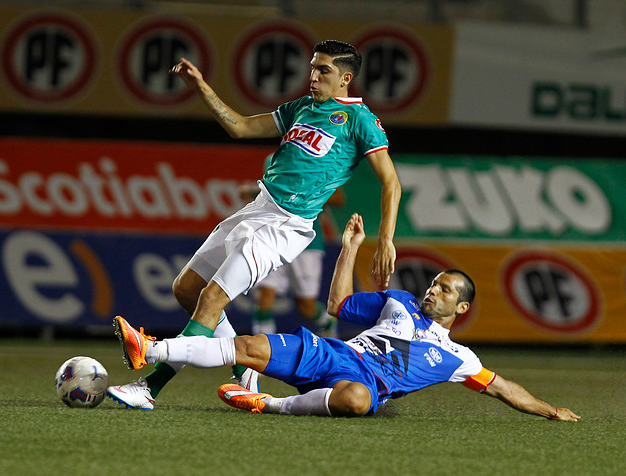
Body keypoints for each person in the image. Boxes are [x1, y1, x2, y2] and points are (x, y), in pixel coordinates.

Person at [106, 40, 401, 410]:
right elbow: (242, 128)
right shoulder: (300, 108)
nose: (313, 76)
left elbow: (391, 182)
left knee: (212, 299)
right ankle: (244, 372)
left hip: (286, 225)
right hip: (257, 207)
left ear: (345, 78)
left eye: (323, 70)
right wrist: (202, 87)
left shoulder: (360, 121)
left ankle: (149, 388)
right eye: (312, 67)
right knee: (186, 288)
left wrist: (385, 239)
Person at [113, 214, 581, 421]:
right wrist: (349, 251)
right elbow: (339, 306)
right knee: (248, 348)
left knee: (357, 400)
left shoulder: (460, 358)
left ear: (460, 308)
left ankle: (268, 404)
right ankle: (150, 348)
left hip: (358, 384)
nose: (432, 289)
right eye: (434, 282)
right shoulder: (396, 300)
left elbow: (502, 387)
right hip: (331, 353)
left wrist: (549, 410)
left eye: (445, 289)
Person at [239, 166, 345, 337]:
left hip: (305, 243)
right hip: (273, 237)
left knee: (306, 306)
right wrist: (253, 192)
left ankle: (329, 327)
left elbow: (338, 198)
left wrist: (304, 191)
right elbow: (267, 192)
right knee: (264, 294)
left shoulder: (320, 160)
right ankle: (263, 356)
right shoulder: (273, 159)